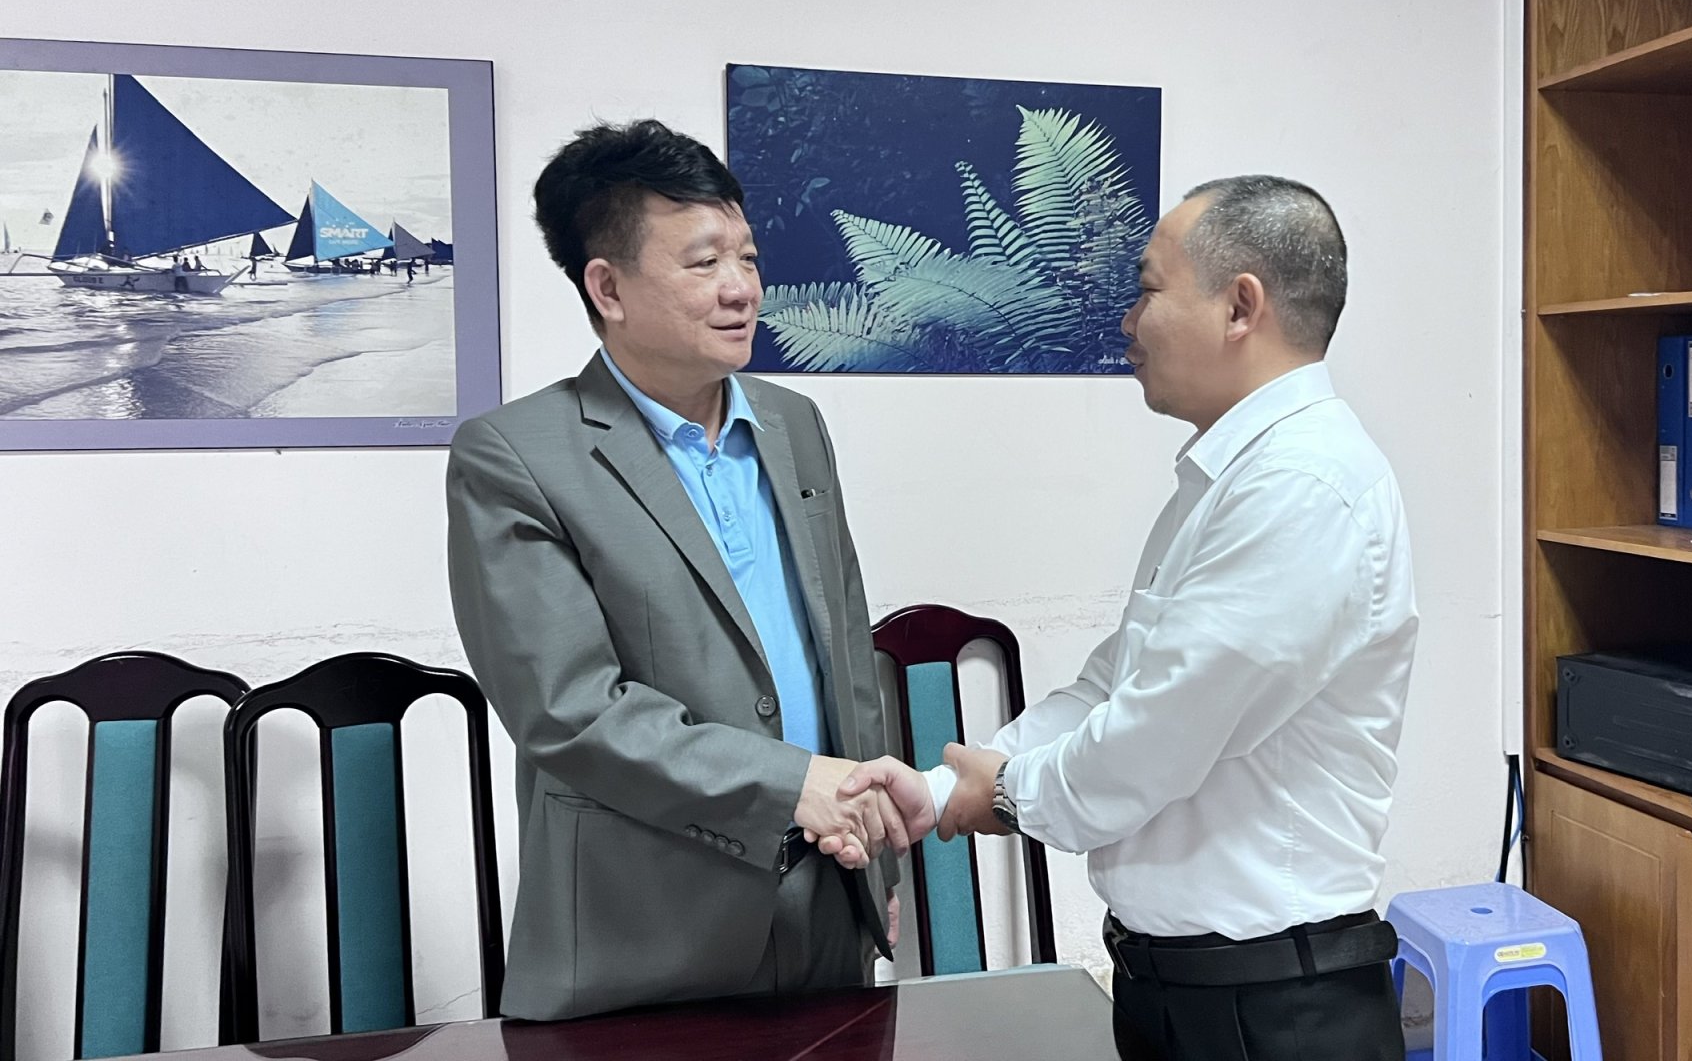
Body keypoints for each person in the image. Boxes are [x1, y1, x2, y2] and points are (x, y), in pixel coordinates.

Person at [831, 176, 1419, 1061]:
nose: (1126, 320)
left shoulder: (1302, 488)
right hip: (1185, 989)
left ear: (1240, 307)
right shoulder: (1229, 477)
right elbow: (1117, 682)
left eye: (1147, 290)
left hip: (1273, 1008)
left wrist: (1007, 794)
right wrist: (951, 787)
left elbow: (1159, 734)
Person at [445, 119, 907, 1022]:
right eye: (703, 263)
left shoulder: (794, 423)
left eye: (748, 257)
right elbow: (570, 710)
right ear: (607, 287)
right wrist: (788, 786)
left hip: (826, 901)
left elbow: (843, 651)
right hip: (645, 932)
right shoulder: (516, 456)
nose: (742, 288)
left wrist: (875, 867)